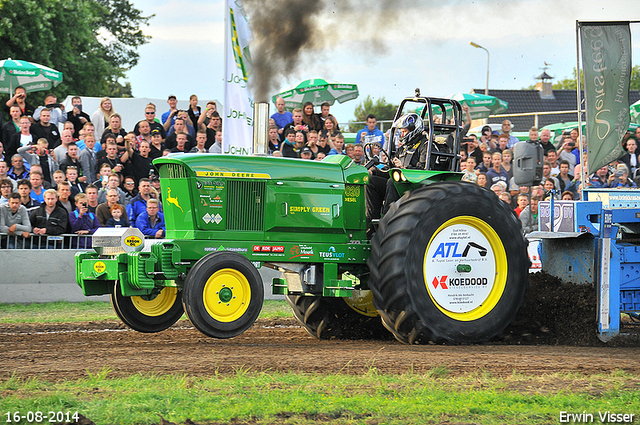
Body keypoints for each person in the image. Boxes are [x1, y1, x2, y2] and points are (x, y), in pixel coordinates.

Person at [365, 113, 428, 234]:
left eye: (404, 131)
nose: (402, 134)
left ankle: (388, 223)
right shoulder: (403, 148)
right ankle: (372, 226)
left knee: (392, 182)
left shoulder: (424, 146)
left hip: (414, 185)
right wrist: (374, 171)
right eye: (401, 131)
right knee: (371, 182)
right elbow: (390, 168)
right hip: (400, 183)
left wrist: (403, 167)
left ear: (413, 131)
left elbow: (424, 170)